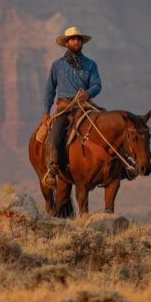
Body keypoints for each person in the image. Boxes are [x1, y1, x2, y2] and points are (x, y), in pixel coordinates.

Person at [42, 26, 102, 187]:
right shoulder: (57, 66)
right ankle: (53, 168)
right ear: (67, 43)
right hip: (65, 108)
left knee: (108, 125)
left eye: (78, 39)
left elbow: (97, 85)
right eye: (72, 39)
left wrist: (88, 93)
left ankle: (120, 166)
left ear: (82, 42)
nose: (76, 41)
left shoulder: (90, 64)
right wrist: (46, 112)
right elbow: (49, 90)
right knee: (53, 138)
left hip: (85, 105)